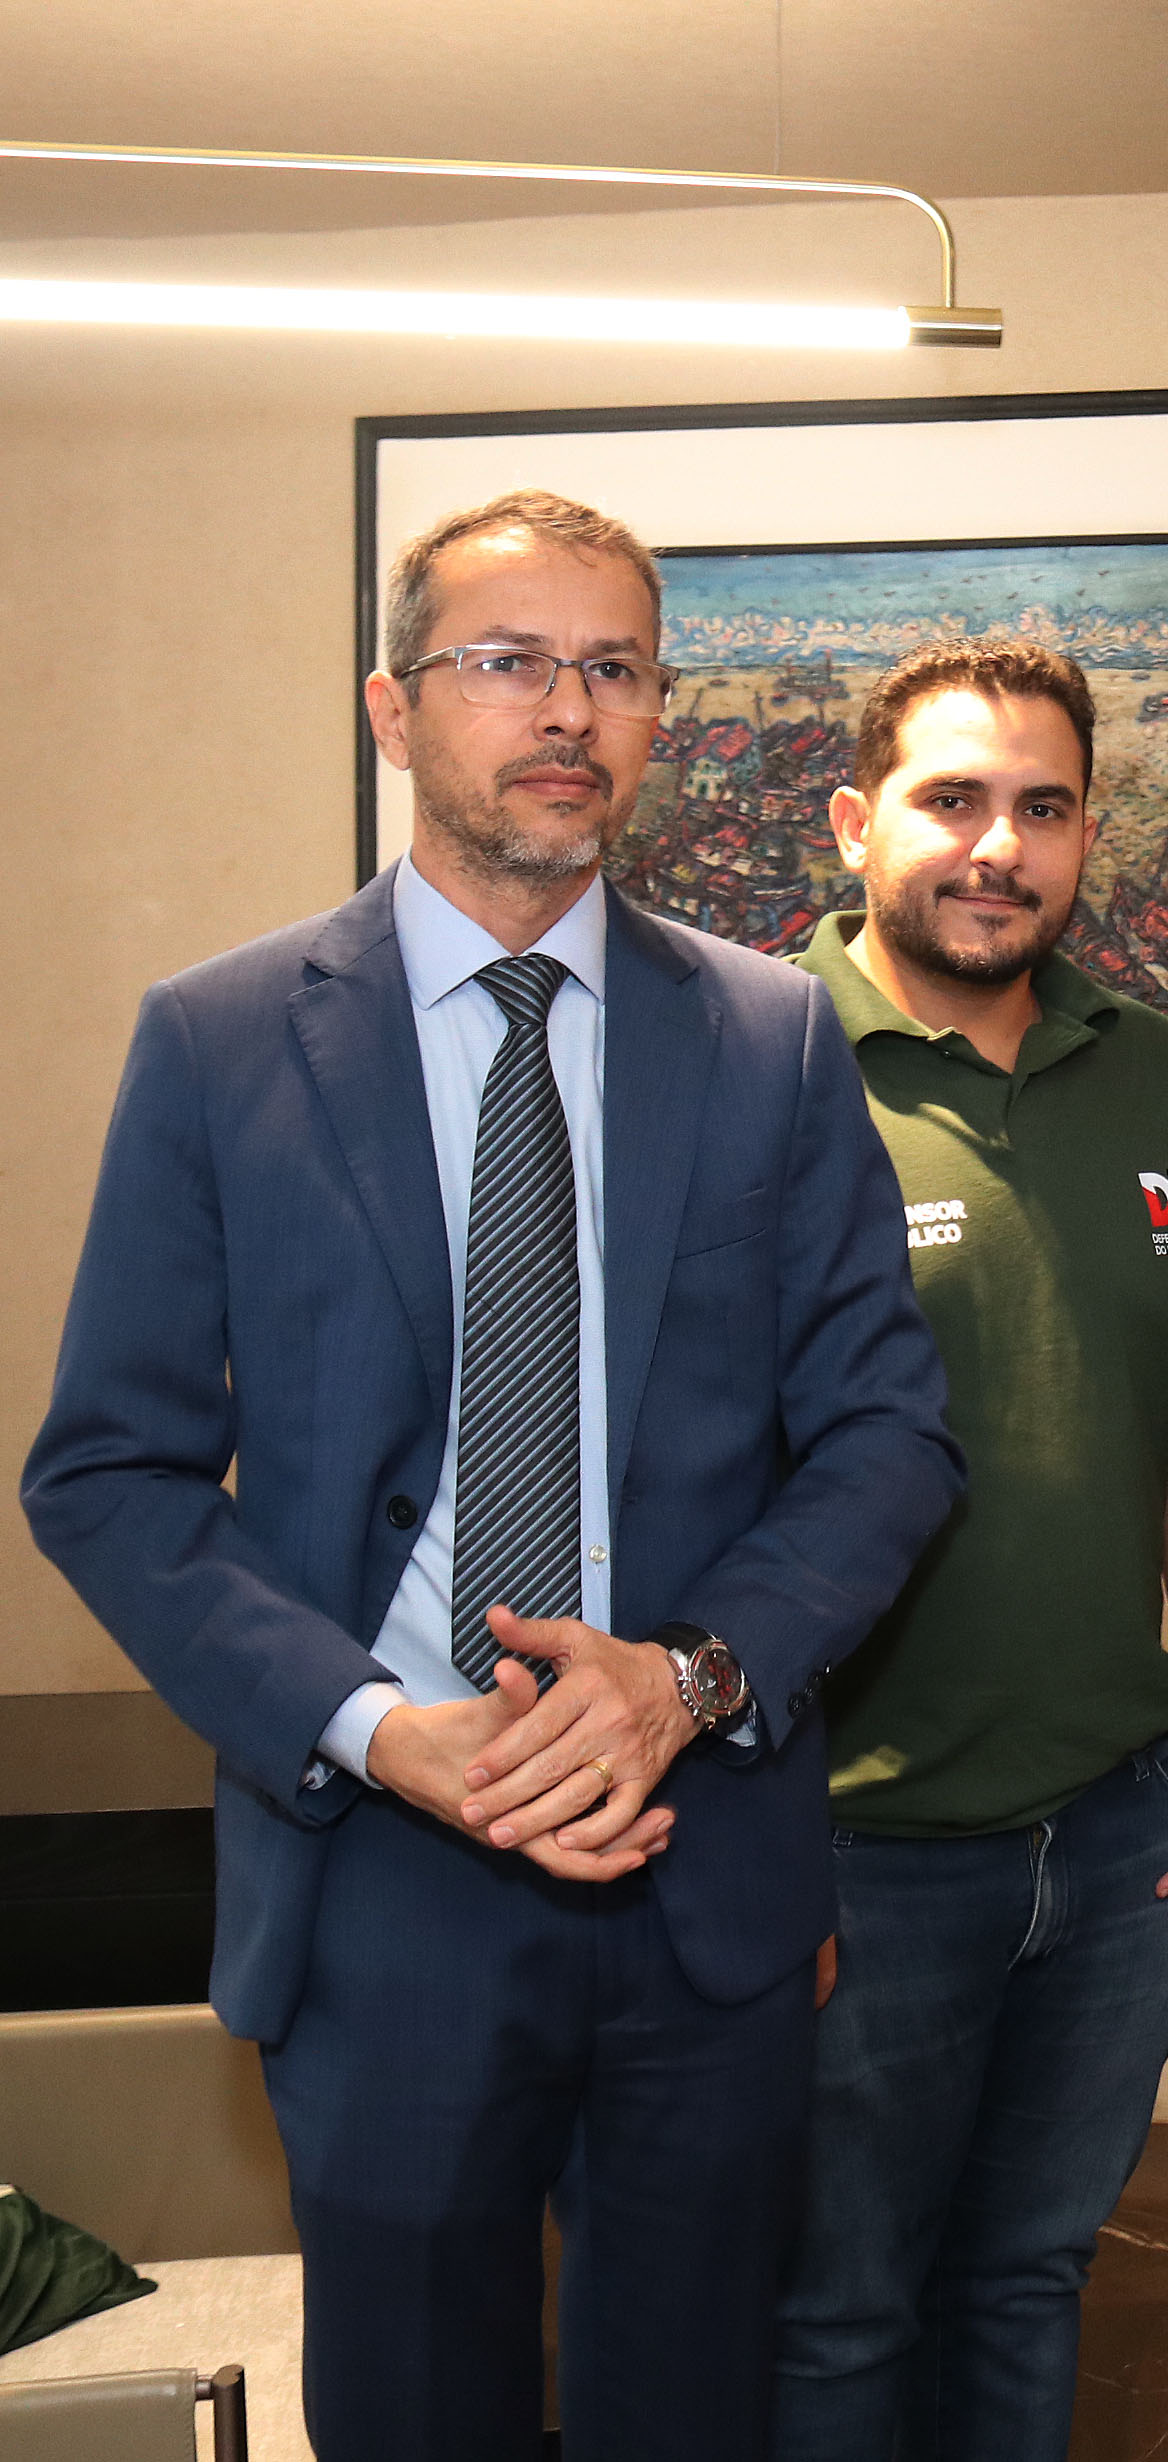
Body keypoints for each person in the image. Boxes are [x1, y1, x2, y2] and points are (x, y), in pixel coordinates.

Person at [21, 489, 963, 2459]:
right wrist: (380, 1728)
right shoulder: (216, 1044)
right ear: (394, 706)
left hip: (694, 1864)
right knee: (414, 2416)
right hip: (381, 1883)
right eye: (509, 662)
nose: (568, 711)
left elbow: (888, 1432)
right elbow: (106, 1470)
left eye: (614, 668)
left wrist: (689, 1674)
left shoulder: (777, 1040)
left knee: (692, 2414)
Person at [772, 640, 1168, 2460]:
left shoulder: (1156, 1078)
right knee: (834, 2312)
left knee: (1028, 2275)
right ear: (856, 822)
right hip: (854, 1832)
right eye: (953, 799)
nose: (1000, 847)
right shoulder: (758, 1061)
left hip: (1122, 1820)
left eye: (1043, 808)